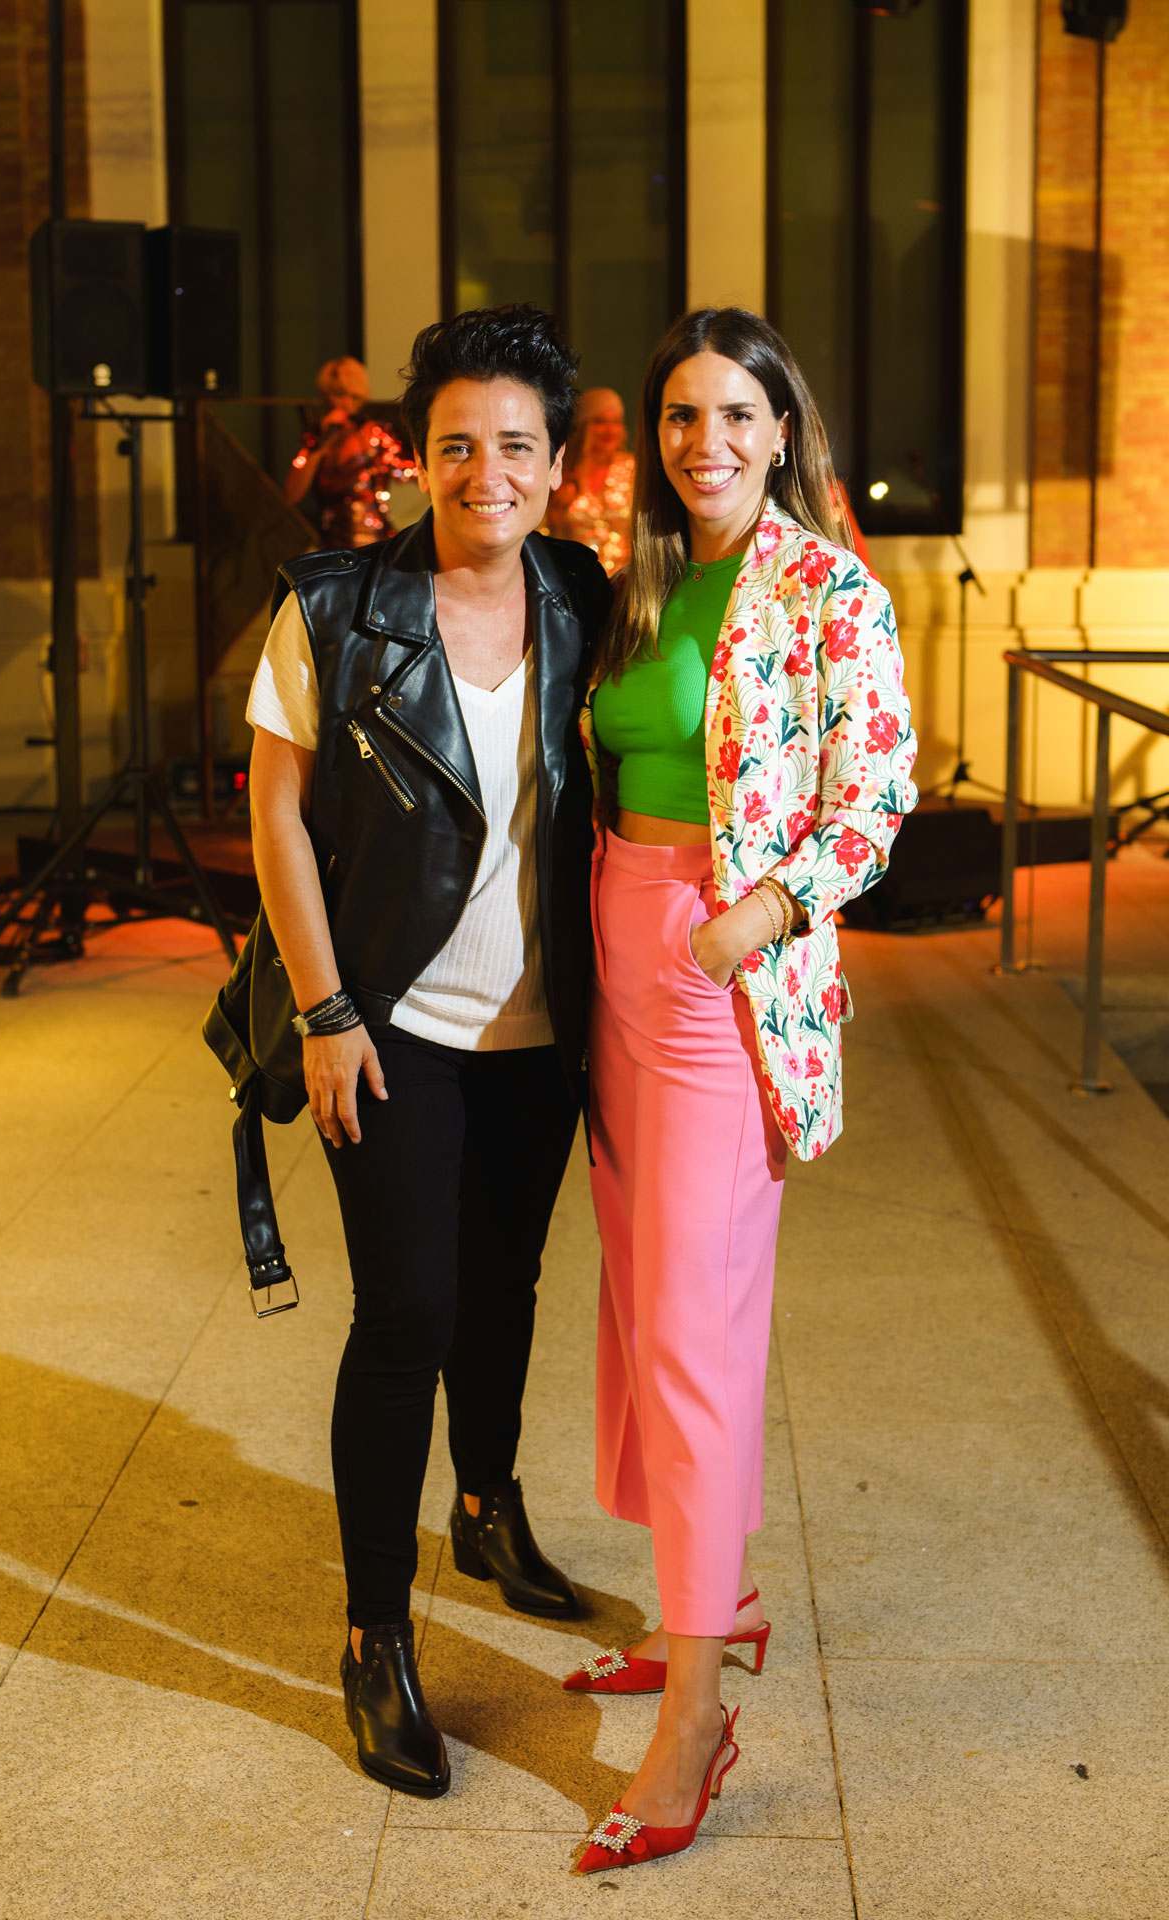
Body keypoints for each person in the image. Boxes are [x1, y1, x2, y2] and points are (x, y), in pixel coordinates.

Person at [566, 308, 917, 1874]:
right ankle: (709, 1607)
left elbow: (879, 791)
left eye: (734, 414)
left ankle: (697, 1715)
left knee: (696, 1329)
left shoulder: (827, 586)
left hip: (719, 965)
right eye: (680, 415)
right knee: (640, 1303)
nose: (704, 441)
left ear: (783, 431)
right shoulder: (641, 578)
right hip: (614, 951)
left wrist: (753, 917)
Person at [246, 306, 611, 1800]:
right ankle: (375, 1634)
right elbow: (275, 814)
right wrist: (327, 1013)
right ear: (420, 456)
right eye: (458, 445)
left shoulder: (582, 594)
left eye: (516, 445)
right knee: (408, 1312)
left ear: (556, 462)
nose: (487, 472)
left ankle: (486, 1504)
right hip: (392, 1023)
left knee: (504, 1286)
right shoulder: (337, 607)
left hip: (541, 1030)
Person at [284, 355, 415, 548]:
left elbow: (411, 471)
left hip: (377, 541)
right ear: (325, 395)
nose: (346, 403)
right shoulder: (316, 437)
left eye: (354, 397)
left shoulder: (375, 433)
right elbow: (292, 494)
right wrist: (320, 445)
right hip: (333, 543)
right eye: (339, 394)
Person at [545, 386, 635, 575]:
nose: (610, 430)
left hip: (625, 582)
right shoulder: (562, 471)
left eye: (616, 422)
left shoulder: (634, 470)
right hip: (574, 580)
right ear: (583, 425)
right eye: (600, 421)